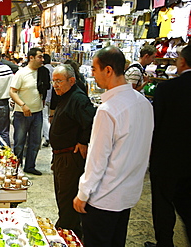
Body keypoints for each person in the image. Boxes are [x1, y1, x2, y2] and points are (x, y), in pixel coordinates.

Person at [73, 46, 154, 247]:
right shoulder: (143, 103)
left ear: (108, 70)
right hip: (127, 195)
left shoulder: (108, 110)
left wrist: (83, 193)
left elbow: (97, 159)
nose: (92, 74)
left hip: (104, 198)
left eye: (94, 69)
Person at [144, 45, 191, 247]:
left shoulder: (168, 89)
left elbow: (156, 125)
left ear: (182, 62)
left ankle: (164, 243)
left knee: (163, 204)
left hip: (167, 159)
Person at [49, 64, 96, 239]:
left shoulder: (78, 98)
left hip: (70, 157)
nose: (55, 85)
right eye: (53, 81)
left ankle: (68, 235)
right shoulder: (66, 95)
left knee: (67, 200)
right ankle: (67, 232)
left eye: (59, 81)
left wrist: (83, 141)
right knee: (62, 198)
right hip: (60, 156)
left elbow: (91, 122)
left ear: (71, 80)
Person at [9, 47, 44, 176]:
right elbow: (12, 91)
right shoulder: (21, 73)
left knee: (35, 142)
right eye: (39, 57)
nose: (42, 59)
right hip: (22, 113)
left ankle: (30, 166)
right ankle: (16, 167)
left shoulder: (42, 72)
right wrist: (23, 105)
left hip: (37, 112)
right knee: (19, 142)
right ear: (31, 58)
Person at [42, 54, 54, 147]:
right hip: (53, 97)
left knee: (45, 117)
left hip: (45, 97)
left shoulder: (42, 70)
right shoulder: (54, 70)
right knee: (51, 117)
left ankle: (48, 137)